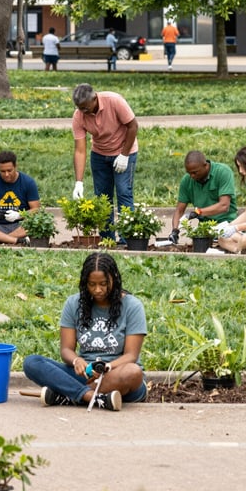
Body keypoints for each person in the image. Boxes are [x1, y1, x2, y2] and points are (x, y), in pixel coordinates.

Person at [23, 253, 147, 412]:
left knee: (133, 371)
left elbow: (131, 356)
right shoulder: (74, 303)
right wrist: (76, 361)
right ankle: (92, 398)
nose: (98, 290)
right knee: (32, 363)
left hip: (117, 375)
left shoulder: (133, 306)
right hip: (84, 375)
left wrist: (106, 367)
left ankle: (68, 394)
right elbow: (66, 350)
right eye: (92, 284)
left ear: (114, 280)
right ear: (84, 283)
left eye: (104, 284)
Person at [71, 83, 138, 241]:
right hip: (100, 155)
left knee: (124, 192)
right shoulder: (78, 115)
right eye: (79, 108)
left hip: (124, 150)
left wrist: (124, 155)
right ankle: (107, 239)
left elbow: (133, 126)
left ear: (95, 98)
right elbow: (80, 149)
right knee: (102, 197)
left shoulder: (114, 101)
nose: (82, 112)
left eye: (85, 108)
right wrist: (78, 182)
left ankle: (127, 239)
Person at [169, 151, 238, 245]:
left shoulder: (222, 172)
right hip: (205, 229)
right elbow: (179, 211)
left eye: (195, 172)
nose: (192, 176)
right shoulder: (187, 180)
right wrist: (175, 231)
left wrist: (198, 212)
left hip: (228, 225)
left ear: (205, 165)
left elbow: (224, 206)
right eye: (189, 173)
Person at [0, 150, 41, 246]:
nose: (6, 174)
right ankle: (16, 241)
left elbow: (36, 209)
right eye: (3, 171)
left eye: (9, 170)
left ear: (16, 166)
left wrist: (19, 215)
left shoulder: (28, 182)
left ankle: (0, 240)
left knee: (33, 227)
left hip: (21, 224)